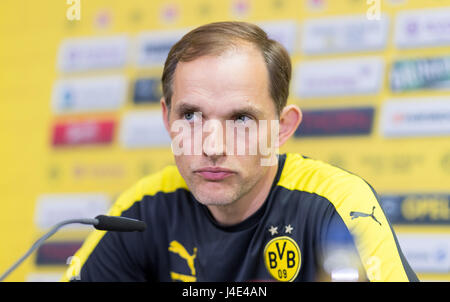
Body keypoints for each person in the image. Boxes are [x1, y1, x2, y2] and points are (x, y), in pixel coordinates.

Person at [63, 21, 418, 282]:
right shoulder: (142, 209)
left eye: (241, 119)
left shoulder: (339, 204)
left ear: (282, 128)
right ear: (166, 118)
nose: (212, 146)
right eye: (190, 116)